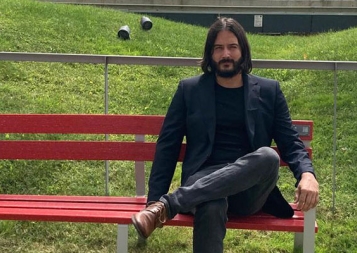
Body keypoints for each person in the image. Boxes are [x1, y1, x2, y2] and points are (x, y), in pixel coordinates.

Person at [131, 17, 319, 253]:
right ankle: (165, 206)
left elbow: (290, 142)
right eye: (218, 48)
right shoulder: (189, 91)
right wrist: (152, 200)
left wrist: (307, 174)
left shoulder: (269, 92)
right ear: (210, 54)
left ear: (243, 50)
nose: (225, 54)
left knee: (268, 157)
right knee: (210, 203)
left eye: (232, 47)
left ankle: (169, 205)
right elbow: (168, 146)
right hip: (201, 182)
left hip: (248, 192)